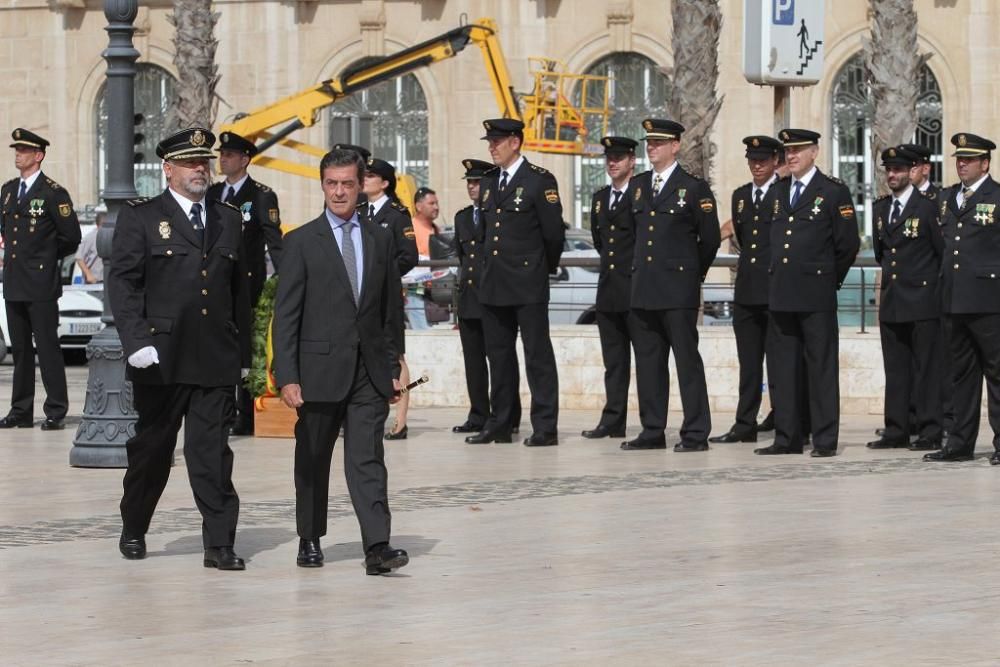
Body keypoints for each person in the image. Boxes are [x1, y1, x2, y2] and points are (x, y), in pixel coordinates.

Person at [108, 127, 252, 570]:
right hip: (161, 358)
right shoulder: (143, 217)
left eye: (203, 162)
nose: (200, 170)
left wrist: (244, 356)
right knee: (152, 452)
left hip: (213, 357)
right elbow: (124, 283)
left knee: (210, 454)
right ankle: (134, 525)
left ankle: (219, 543)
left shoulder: (228, 217)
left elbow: (239, 292)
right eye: (190, 163)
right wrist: (134, 342)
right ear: (167, 169)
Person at [272, 148, 409, 574]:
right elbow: (286, 315)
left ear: (360, 184)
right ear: (322, 186)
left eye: (347, 183)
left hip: (367, 372)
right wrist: (288, 375)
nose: (339, 192)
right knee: (313, 458)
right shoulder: (299, 242)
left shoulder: (379, 238)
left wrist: (392, 368)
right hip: (317, 373)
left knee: (367, 458)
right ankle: (309, 537)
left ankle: (377, 546)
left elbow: (388, 311)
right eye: (331, 184)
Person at [755, 129, 860, 457]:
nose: (792, 155)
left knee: (821, 369)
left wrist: (828, 280)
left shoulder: (831, 192)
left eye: (799, 149)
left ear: (815, 151)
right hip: (783, 294)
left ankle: (825, 439)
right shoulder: (779, 191)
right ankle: (788, 437)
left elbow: (847, 245)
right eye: (788, 150)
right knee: (783, 370)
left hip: (815, 294)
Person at [623, 118, 721, 452]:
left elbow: (708, 241)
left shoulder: (693, 188)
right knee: (649, 364)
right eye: (649, 143)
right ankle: (652, 430)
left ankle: (695, 432)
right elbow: (629, 236)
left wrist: (691, 277)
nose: (652, 148)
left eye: (660, 143)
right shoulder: (637, 186)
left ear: (675, 146)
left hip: (677, 291)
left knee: (686, 362)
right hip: (644, 289)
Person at [468, 118, 565, 447]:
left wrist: (540, 269)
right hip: (494, 282)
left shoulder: (539, 181)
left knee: (537, 355)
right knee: (499, 356)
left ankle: (544, 425)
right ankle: (502, 422)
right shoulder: (491, 181)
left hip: (527, 281)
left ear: (515, 142)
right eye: (489, 141)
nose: (491, 147)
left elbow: (554, 235)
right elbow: (483, 235)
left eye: (497, 141)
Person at [925, 133, 1000, 464]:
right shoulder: (947, 197)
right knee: (960, 375)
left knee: (996, 374)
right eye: (959, 159)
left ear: (985, 163)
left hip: (988, 300)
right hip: (953, 298)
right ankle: (959, 442)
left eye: (969, 159)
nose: (962, 164)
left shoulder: (996, 196)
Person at [0, 128, 81, 431]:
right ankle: (20, 410)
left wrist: (46, 260)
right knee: (20, 349)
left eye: (23, 150)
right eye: (16, 150)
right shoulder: (9, 191)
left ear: (38, 155)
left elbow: (70, 237)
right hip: (14, 281)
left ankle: (56, 410)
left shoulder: (52, 192)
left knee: (46, 347)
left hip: (41, 283)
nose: (18, 154)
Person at [206, 131, 284, 437]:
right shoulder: (212, 194)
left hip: (246, 285)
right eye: (221, 155)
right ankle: (220, 411)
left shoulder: (261, 195)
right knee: (217, 349)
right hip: (214, 285)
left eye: (229, 155)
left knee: (246, 351)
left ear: (244, 159)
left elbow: (273, 240)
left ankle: (245, 414)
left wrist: (285, 278)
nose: (223, 159)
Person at [866, 146, 944, 451]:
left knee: (926, 369)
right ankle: (896, 429)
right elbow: (881, 254)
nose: (892, 175)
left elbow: (941, 252)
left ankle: (929, 430)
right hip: (894, 300)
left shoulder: (927, 208)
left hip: (923, 299)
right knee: (895, 369)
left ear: (911, 172)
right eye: (889, 170)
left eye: (898, 170)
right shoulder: (881, 209)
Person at [710, 135, 783, 444]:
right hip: (747, 290)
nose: (756, 166)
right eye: (752, 160)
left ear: (775, 162)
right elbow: (741, 238)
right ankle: (745, 423)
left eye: (763, 160)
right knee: (749, 363)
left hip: (776, 290)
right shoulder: (741, 196)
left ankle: (786, 418)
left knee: (780, 362)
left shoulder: (785, 193)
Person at [452, 159, 522, 437]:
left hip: (494, 298)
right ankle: (478, 414)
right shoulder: (462, 218)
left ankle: (507, 415)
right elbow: (463, 257)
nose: (472, 187)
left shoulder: (498, 214)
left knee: (501, 360)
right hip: (470, 298)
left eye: (478, 182)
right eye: (469, 182)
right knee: (474, 362)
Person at [582, 136, 638, 440]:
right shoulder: (600, 198)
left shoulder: (641, 194)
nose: (612, 163)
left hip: (636, 289)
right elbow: (601, 242)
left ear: (632, 161)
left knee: (645, 360)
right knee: (614, 363)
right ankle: (612, 420)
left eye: (619, 157)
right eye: (609, 158)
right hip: (609, 291)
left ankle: (650, 422)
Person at [361, 157, 418, 440]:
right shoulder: (359, 211)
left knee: (394, 353)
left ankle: (401, 420)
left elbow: (409, 255)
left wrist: (383, 274)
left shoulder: (396, 214)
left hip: (386, 296)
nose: (364, 180)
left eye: (370, 176)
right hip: (361, 295)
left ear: (384, 183)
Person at [405, 187, 441, 331]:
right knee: (422, 330)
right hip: (415, 287)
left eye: (437, 203)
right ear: (419, 206)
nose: (437, 207)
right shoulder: (410, 228)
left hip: (435, 288)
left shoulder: (436, 229)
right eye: (431, 203)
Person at [76, 210, 105, 284]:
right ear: (99, 224)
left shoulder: (113, 237)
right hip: (95, 282)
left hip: (109, 281)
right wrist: (89, 275)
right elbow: (79, 257)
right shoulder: (91, 237)